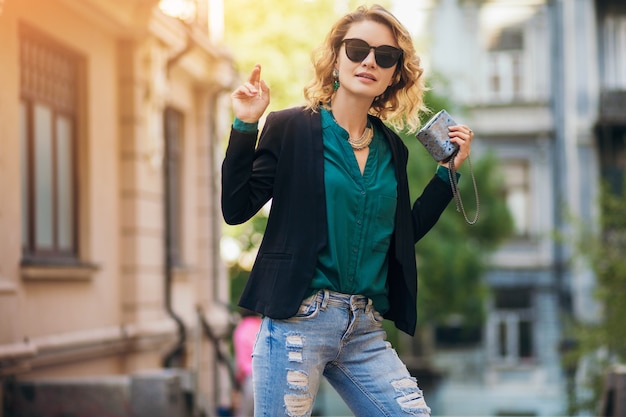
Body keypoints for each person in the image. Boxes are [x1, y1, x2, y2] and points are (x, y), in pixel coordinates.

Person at [221, 4, 474, 416]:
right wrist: (246, 125)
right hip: (296, 320)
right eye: (357, 49)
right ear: (336, 58)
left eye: (385, 56)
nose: (370, 61)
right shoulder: (291, 128)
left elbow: (400, 236)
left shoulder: (392, 148)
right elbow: (236, 208)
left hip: (364, 326)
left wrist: (447, 175)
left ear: (395, 75)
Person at [232, 309, 262, 417]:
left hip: (250, 379)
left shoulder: (240, 330)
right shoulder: (263, 326)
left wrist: (236, 387)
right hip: (268, 374)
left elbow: (240, 363)